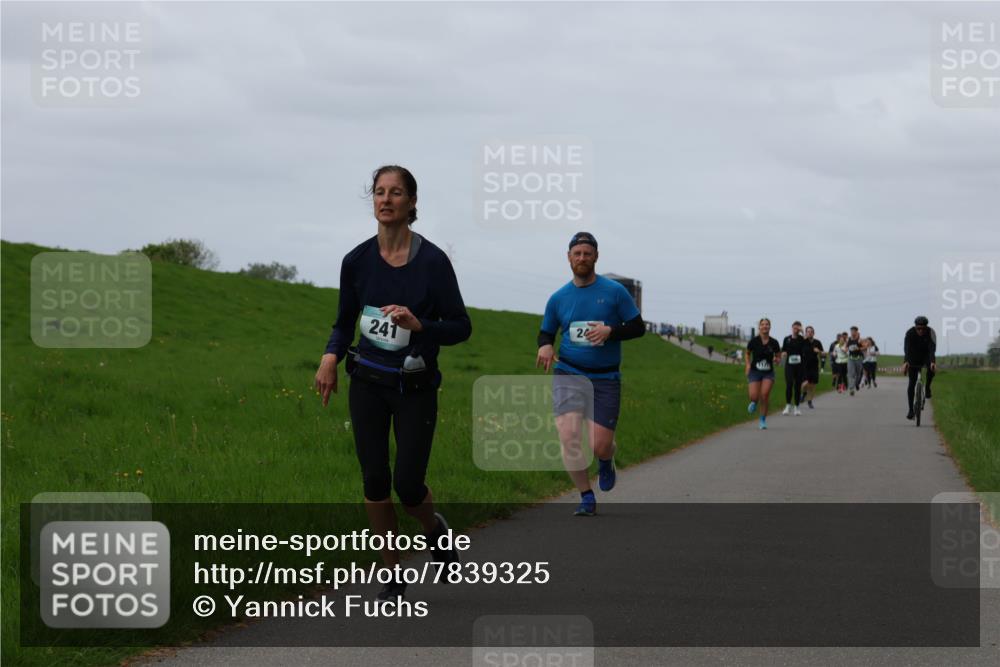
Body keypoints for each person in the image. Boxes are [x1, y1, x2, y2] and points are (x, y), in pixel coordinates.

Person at [314, 165, 472, 603]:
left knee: (408, 485)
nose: (386, 200)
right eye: (379, 192)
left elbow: (461, 326)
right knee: (374, 479)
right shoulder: (356, 261)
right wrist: (330, 357)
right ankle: (392, 573)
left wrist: (421, 325)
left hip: (414, 388)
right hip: (366, 381)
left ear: (412, 203)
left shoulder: (434, 263)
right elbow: (345, 323)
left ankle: (434, 528)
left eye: (396, 193)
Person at [536, 232, 644, 517]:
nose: (582, 258)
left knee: (599, 444)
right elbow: (546, 330)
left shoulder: (615, 292)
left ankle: (606, 460)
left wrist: (611, 331)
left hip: (605, 378)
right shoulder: (558, 298)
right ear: (569, 258)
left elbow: (637, 327)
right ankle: (586, 496)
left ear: (596, 256)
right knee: (570, 436)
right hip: (569, 373)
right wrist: (546, 346)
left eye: (587, 253)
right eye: (577, 253)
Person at [745, 317, 781, 430]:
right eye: (763, 324)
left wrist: (777, 360)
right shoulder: (754, 341)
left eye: (767, 324)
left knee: (764, 395)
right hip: (755, 371)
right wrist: (748, 365)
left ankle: (762, 420)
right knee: (754, 396)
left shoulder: (774, 342)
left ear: (770, 327)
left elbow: (778, 356)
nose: (765, 326)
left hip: (768, 373)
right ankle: (754, 402)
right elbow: (747, 353)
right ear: (759, 327)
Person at [903, 316, 937, 420]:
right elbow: (906, 349)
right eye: (918, 328)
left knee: (931, 368)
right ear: (915, 327)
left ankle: (927, 388)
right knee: (911, 383)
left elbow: (932, 348)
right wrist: (906, 362)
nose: (921, 331)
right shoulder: (909, 333)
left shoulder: (931, 332)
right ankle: (911, 410)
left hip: (926, 356)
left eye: (923, 328)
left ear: (926, 327)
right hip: (913, 356)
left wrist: (932, 362)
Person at [780, 321, 807, 416]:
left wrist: (803, 332)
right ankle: (788, 405)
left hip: (799, 366)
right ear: (792, 328)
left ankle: (796, 407)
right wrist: (783, 353)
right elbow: (783, 350)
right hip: (789, 365)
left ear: (800, 329)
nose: (796, 329)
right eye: (794, 327)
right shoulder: (787, 339)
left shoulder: (802, 339)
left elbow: (806, 345)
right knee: (789, 384)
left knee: (797, 386)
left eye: (798, 328)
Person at [800, 325, 824, 409]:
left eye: (811, 332)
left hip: (814, 365)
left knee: (812, 385)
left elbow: (823, 354)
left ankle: (809, 401)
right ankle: (803, 393)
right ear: (806, 333)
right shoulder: (803, 341)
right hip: (804, 365)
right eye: (808, 331)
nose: (809, 333)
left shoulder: (817, 342)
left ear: (813, 333)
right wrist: (802, 331)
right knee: (805, 383)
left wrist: (819, 351)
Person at [845, 326, 864, 396]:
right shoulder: (848, 339)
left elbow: (865, 347)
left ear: (856, 332)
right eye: (851, 331)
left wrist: (858, 348)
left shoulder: (860, 340)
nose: (852, 332)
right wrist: (846, 349)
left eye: (853, 331)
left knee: (858, 374)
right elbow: (846, 347)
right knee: (850, 374)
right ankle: (851, 389)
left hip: (859, 358)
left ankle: (857, 383)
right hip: (851, 358)